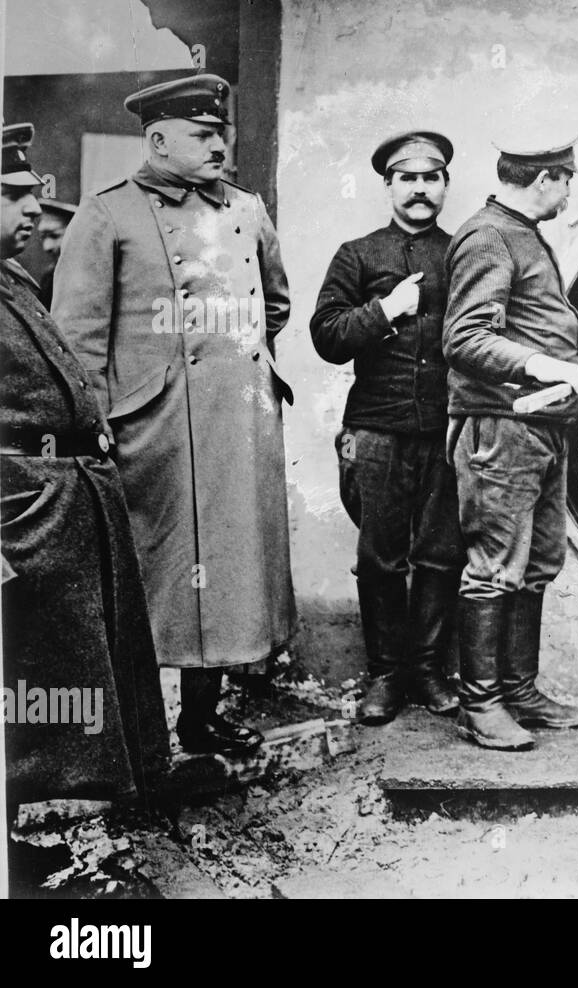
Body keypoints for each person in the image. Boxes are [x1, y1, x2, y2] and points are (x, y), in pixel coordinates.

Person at [53, 75, 295, 757]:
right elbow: (77, 338)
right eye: (201, 134)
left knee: (225, 577)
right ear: (157, 140)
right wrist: (99, 427)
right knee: (149, 579)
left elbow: (274, 305)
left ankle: (200, 719)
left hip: (237, 427)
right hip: (150, 435)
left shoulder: (246, 209)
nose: (219, 143)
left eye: (220, 131)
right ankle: (132, 733)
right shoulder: (108, 216)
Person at [1, 123, 169, 816]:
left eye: (30, 193)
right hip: (24, 512)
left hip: (68, 500)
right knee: (44, 672)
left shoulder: (14, 282)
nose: (33, 208)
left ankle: (105, 791)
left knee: (92, 662)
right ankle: (52, 817)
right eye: (10, 196)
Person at [442, 130, 578, 750]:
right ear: (545, 178)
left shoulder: (520, 234)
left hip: (541, 426)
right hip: (503, 426)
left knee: (537, 564)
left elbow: (530, 330)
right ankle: (481, 704)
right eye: (566, 179)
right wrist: (547, 367)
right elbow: (465, 338)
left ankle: (518, 690)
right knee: (494, 568)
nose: (570, 192)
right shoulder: (487, 236)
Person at [310, 130, 465, 725]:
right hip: (375, 430)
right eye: (409, 179)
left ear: (445, 186)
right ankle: (384, 675)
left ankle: (427, 671)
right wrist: (385, 310)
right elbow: (326, 337)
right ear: (388, 186)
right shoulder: (358, 254)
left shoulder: (463, 252)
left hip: (446, 430)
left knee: (441, 555)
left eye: (432, 178)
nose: (421, 189)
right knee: (380, 557)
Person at [35, 200, 74, 308]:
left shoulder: (96, 274)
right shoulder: (50, 278)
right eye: (43, 237)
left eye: (54, 236)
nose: (47, 247)